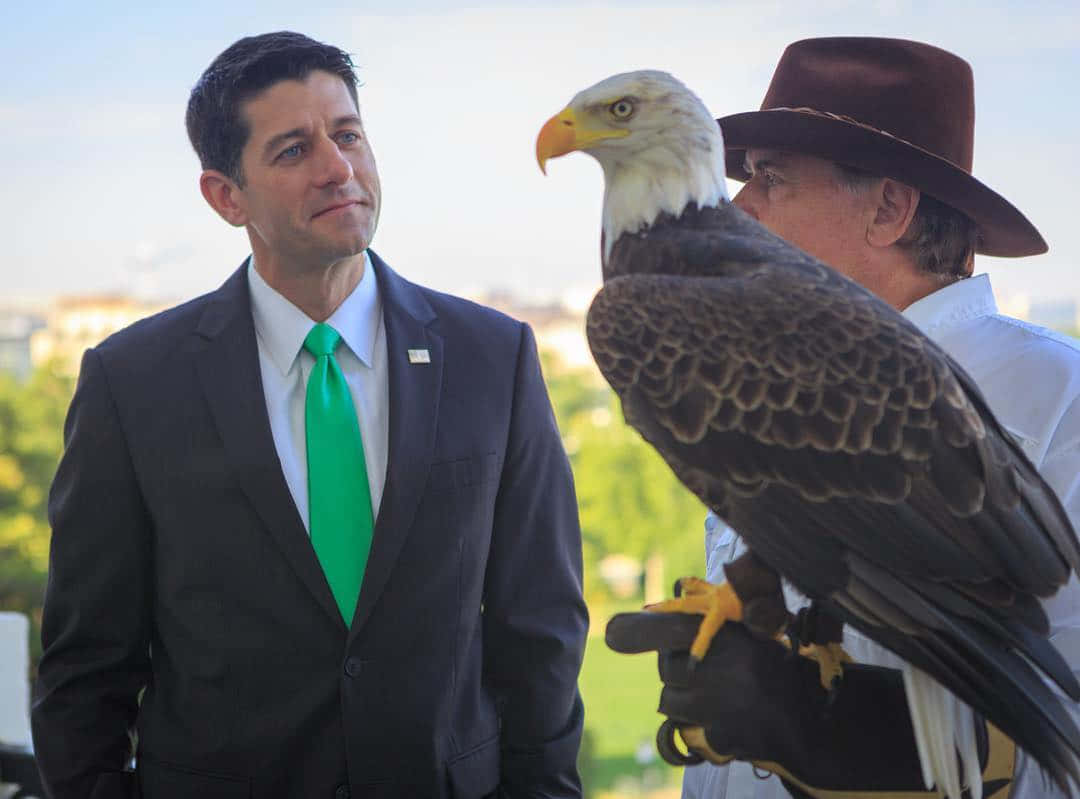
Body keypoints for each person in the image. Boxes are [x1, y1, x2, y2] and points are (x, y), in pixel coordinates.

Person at [31, 31, 587, 799]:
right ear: (226, 197)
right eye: (294, 150)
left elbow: (543, 629)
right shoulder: (131, 384)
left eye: (348, 135)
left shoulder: (495, 358)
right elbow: (85, 668)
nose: (338, 168)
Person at [613, 37, 1080, 799]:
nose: (739, 206)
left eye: (771, 178)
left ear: (889, 208)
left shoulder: (1059, 398)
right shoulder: (765, 379)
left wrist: (844, 740)